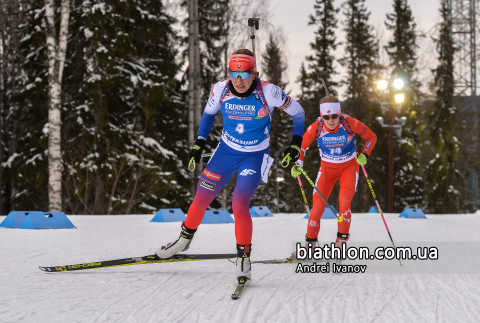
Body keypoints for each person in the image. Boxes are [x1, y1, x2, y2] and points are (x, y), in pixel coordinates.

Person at [156, 49, 305, 284]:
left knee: (239, 203)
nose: (239, 80)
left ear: (253, 73)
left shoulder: (269, 92)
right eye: (234, 73)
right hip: (225, 152)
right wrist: (198, 145)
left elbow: (298, 113)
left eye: (244, 74)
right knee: (201, 198)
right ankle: (183, 240)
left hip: (254, 156)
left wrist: (295, 145)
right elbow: (207, 115)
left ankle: (243, 258)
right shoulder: (220, 90)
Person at [291, 95, 376, 253]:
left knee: (344, 201)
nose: (330, 120)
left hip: (349, 167)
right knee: (317, 208)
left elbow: (371, 137)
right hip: (327, 169)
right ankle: (309, 245)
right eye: (326, 117)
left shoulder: (350, 123)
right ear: (321, 116)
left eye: (334, 116)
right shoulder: (316, 127)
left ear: (340, 113)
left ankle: (341, 241)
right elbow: (301, 147)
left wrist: (365, 154)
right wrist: (299, 163)